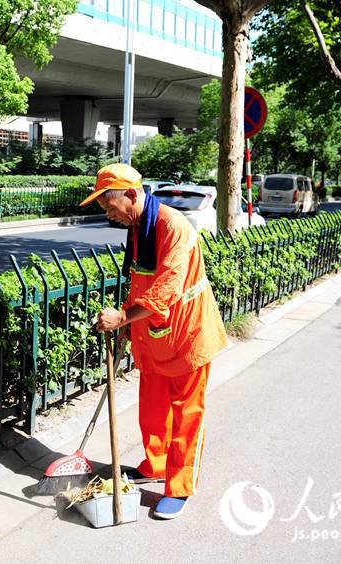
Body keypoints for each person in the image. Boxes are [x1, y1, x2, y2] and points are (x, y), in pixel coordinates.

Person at [81, 163, 229, 520]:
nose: (111, 216)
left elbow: (167, 287)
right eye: (106, 210)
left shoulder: (172, 226)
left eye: (112, 208)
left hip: (188, 337)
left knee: (186, 415)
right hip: (154, 337)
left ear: (132, 195)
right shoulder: (137, 227)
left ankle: (179, 487)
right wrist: (129, 322)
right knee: (151, 410)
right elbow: (141, 281)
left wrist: (123, 318)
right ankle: (156, 465)